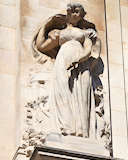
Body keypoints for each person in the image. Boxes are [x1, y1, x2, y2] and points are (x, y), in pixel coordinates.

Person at [32, 2, 101, 138]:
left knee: (82, 93)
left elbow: (88, 50)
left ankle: (82, 130)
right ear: (68, 14)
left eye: (78, 13)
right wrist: (45, 26)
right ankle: (66, 126)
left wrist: (79, 60)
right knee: (62, 91)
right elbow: (41, 46)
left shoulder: (86, 33)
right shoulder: (59, 33)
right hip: (63, 61)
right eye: (73, 11)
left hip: (81, 64)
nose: (76, 15)